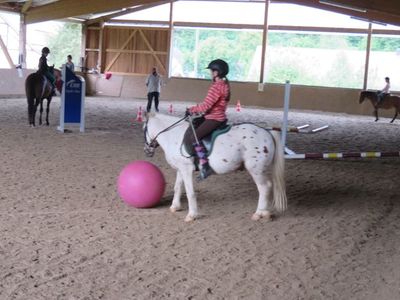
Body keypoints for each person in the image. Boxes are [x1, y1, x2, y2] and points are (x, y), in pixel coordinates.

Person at [183, 59, 231, 180]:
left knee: (194, 137)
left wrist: (191, 109)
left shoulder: (217, 87)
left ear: (216, 73)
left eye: (211, 71)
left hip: (214, 118)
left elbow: (206, 105)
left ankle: (205, 165)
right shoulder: (224, 85)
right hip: (216, 116)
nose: (210, 73)